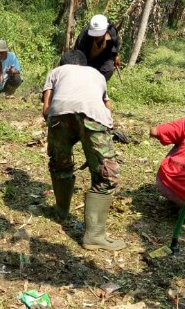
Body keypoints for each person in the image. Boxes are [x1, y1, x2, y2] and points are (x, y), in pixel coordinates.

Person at [42, 50, 125, 251]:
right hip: (94, 117)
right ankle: (95, 236)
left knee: (60, 164)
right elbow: (107, 106)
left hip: (59, 115)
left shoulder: (56, 72)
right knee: (106, 176)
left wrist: (58, 129)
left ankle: (61, 211)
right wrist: (95, 147)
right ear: (84, 64)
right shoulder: (96, 74)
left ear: (63, 63)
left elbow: (46, 109)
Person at [74, 14, 121, 82]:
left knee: (109, 69)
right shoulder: (83, 37)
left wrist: (115, 56)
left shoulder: (112, 31)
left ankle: (97, 85)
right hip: (86, 59)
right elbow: (78, 54)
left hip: (104, 56)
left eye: (99, 34)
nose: (96, 37)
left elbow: (115, 44)